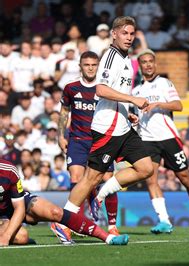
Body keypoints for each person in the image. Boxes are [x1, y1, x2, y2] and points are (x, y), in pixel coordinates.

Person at [62, 17, 153, 241]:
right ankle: (62, 222)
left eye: (132, 34)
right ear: (114, 34)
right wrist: (132, 99)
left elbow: (114, 92)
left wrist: (126, 109)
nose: (129, 37)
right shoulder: (110, 57)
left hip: (122, 125)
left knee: (146, 168)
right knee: (90, 178)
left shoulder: (125, 58)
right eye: (125, 33)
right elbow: (101, 90)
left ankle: (102, 193)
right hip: (107, 128)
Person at [132, 49, 189, 236]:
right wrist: (134, 118)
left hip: (168, 138)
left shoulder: (164, 83)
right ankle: (164, 221)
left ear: (155, 63)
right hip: (147, 140)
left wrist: (158, 104)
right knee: (150, 179)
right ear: (140, 66)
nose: (148, 64)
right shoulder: (135, 91)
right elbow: (135, 115)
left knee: (185, 177)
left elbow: (178, 105)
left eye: (151, 61)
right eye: (144, 62)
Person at [56, 51, 120, 239]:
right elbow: (64, 112)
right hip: (77, 141)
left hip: (101, 141)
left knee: (108, 180)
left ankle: (112, 225)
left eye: (94, 65)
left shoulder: (104, 89)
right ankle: (75, 222)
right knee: (76, 177)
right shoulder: (71, 88)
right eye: (87, 65)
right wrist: (61, 135)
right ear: (80, 66)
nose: (90, 68)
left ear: (98, 66)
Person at [0, 159, 128, 246]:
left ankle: (108, 238)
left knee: (55, 212)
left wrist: (6, 236)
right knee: (22, 237)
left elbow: (19, 207)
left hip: (15, 204)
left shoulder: (9, 170)